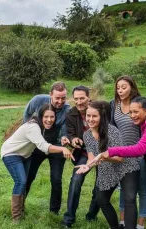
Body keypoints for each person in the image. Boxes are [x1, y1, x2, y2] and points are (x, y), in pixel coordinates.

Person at [1, 104, 74, 223]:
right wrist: (62, 149)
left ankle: (21, 211)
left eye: (52, 117)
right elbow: (42, 146)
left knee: (24, 181)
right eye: (46, 117)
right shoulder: (33, 126)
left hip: (26, 155)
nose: (49, 120)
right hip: (11, 153)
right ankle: (16, 218)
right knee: (21, 181)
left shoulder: (42, 126)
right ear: (40, 116)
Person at [98, 97, 146, 229]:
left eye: (136, 112)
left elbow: (140, 149)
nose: (132, 116)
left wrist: (111, 151)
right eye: (130, 112)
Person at [75, 101, 131, 229]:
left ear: (102, 116)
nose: (90, 119)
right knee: (101, 198)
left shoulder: (112, 131)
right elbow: (91, 158)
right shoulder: (87, 134)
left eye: (94, 116)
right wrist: (87, 166)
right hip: (105, 168)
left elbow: (120, 158)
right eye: (88, 116)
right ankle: (113, 226)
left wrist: (104, 158)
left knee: (126, 198)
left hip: (124, 168)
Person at [23, 81, 70, 214]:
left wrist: (64, 138)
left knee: (56, 179)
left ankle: (54, 211)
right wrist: (28, 133)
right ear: (50, 95)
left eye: (63, 98)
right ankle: (19, 205)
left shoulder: (68, 110)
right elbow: (27, 114)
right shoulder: (38, 100)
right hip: (38, 144)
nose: (60, 101)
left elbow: (65, 131)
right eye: (57, 98)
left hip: (56, 147)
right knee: (29, 175)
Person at [110, 76, 146, 229]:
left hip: (141, 154)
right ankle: (123, 221)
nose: (120, 90)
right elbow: (111, 128)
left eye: (124, 87)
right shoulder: (114, 105)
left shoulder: (140, 104)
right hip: (122, 154)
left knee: (143, 189)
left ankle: (140, 223)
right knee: (124, 189)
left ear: (132, 88)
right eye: (118, 87)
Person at [61, 86, 100, 228]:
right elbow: (70, 133)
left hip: (102, 152)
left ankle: (91, 215)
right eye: (76, 99)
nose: (79, 102)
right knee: (76, 180)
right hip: (83, 153)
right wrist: (74, 140)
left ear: (89, 97)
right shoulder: (70, 114)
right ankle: (68, 219)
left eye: (82, 98)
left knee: (100, 186)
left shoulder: (100, 109)